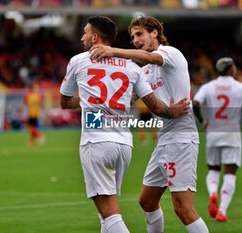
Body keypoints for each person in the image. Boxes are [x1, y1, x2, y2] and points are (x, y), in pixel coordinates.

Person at [60, 16, 190, 233]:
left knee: (110, 214)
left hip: (96, 141)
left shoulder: (78, 61)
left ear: (95, 37)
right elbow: (156, 107)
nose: (81, 37)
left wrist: (89, 101)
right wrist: (171, 111)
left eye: (84, 32)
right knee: (105, 215)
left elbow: (64, 102)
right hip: (123, 145)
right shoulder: (132, 67)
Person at [90, 16, 209, 233]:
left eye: (139, 34)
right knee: (147, 201)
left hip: (181, 139)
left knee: (183, 209)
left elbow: (148, 57)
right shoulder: (143, 70)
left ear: (154, 33)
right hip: (164, 140)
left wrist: (113, 51)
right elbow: (125, 99)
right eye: (132, 36)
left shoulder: (170, 54)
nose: (135, 39)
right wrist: (90, 104)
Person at [192, 57, 242, 222]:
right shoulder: (241, 88)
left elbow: (196, 104)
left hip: (213, 133)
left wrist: (203, 121)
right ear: (231, 70)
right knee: (230, 173)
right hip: (231, 134)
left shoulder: (208, 87)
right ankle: (222, 211)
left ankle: (213, 192)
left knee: (213, 169)